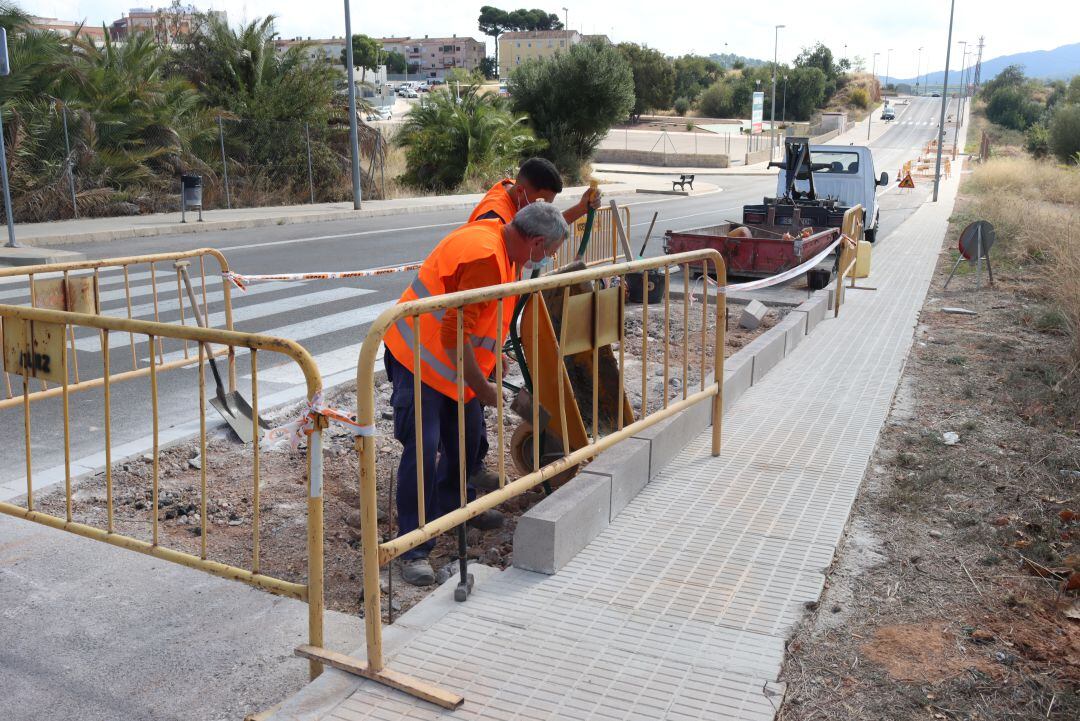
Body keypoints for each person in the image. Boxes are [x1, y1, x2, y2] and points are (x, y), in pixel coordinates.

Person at [383, 201, 571, 586]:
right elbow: (453, 335)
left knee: (468, 441)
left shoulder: (503, 248)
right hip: (419, 361)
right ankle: (413, 547)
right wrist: (481, 386)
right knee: (424, 449)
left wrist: (493, 358)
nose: (546, 261)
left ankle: (456, 508)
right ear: (535, 242)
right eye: (548, 254)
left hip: (452, 367)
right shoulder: (486, 257)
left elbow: (483, 317)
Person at [468, 157, 600, 227]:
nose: (543, 210)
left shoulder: (515, 190)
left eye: (548, 204)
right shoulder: (493, 219)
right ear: (520, 191)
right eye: (540, 202)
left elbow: (547, 227)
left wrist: (581, 208)